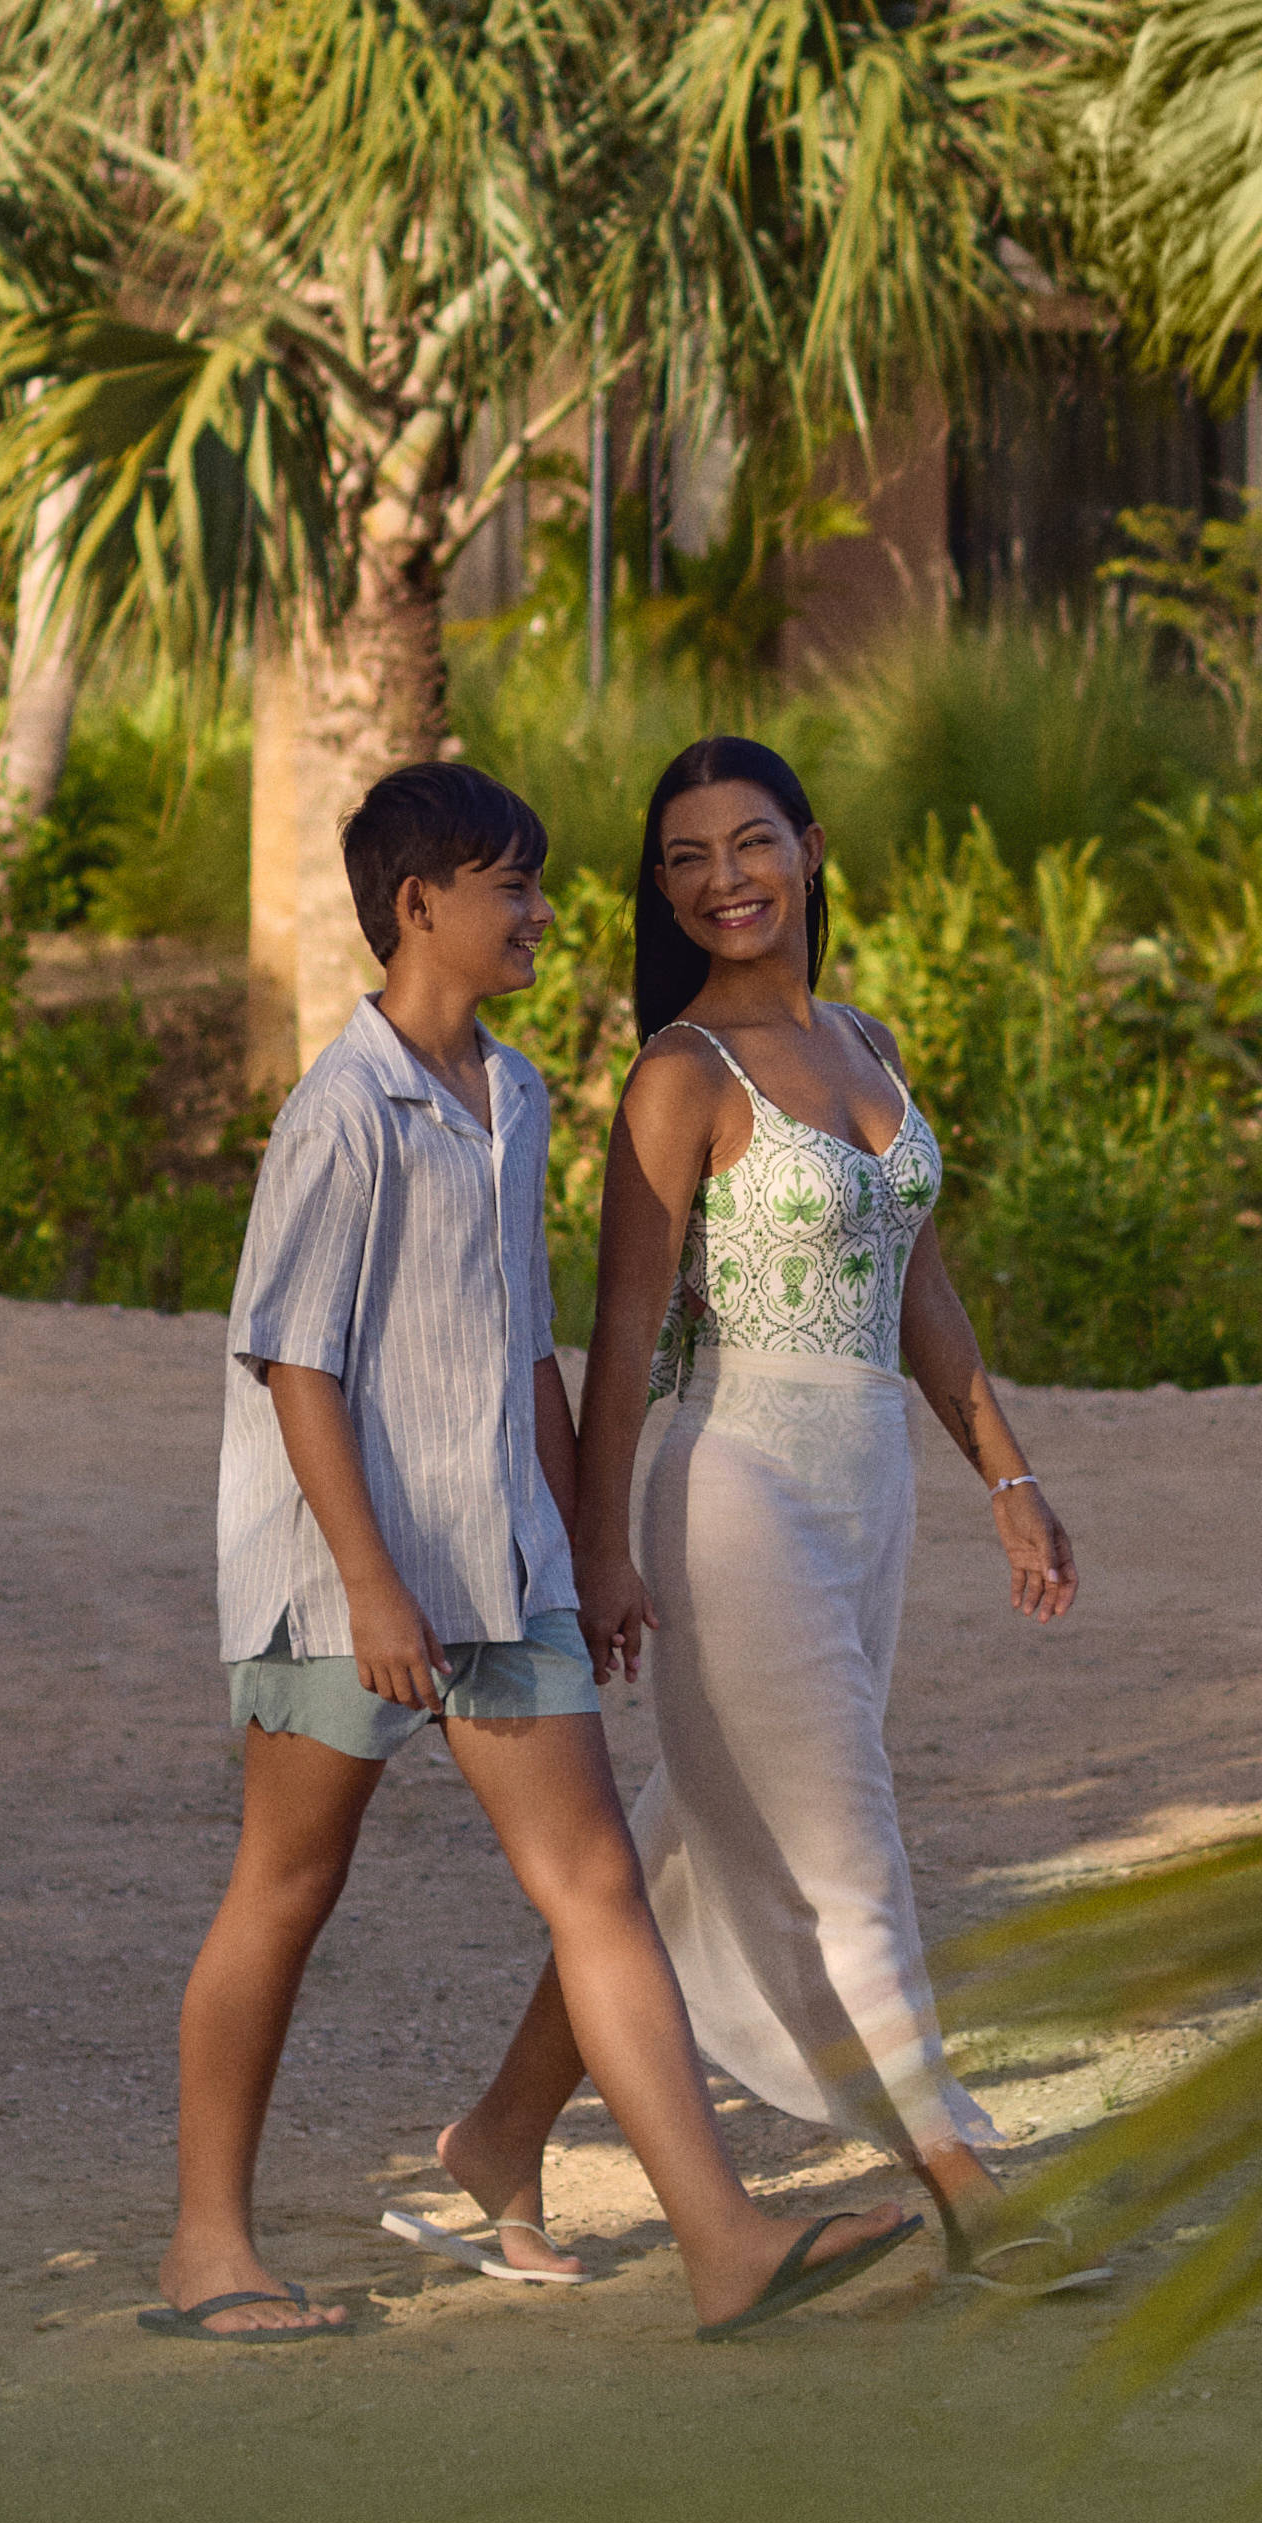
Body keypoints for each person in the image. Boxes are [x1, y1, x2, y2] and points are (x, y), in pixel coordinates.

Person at [159, 759, 918, 2347]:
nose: (543, 912)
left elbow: (528, 1356)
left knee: (598, 1887)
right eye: (512, 885)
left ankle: (723, 2243)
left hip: (503, 1566)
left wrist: (587, 1549)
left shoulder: (513, 1098)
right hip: (343, 1580)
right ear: (418, 904)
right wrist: (374, 1586)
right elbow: (294, 1363)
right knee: (287, 1884)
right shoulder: (340, 1112)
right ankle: (206, 2247)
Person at [401, 735, 1092, 2300]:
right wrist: (598, 1549)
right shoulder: (680, 1075)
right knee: (847, 1843)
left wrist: (1008, 1473)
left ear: (811, 848)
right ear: (663, 891)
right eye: (688, 857)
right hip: (736, 1494)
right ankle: (967, 2183)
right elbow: (626, 1327)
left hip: (870, 1494)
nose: (725, 878)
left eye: (752, 841)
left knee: (694, 1836)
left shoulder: (867, 1042)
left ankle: (502, 2134)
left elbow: (918, 1281)